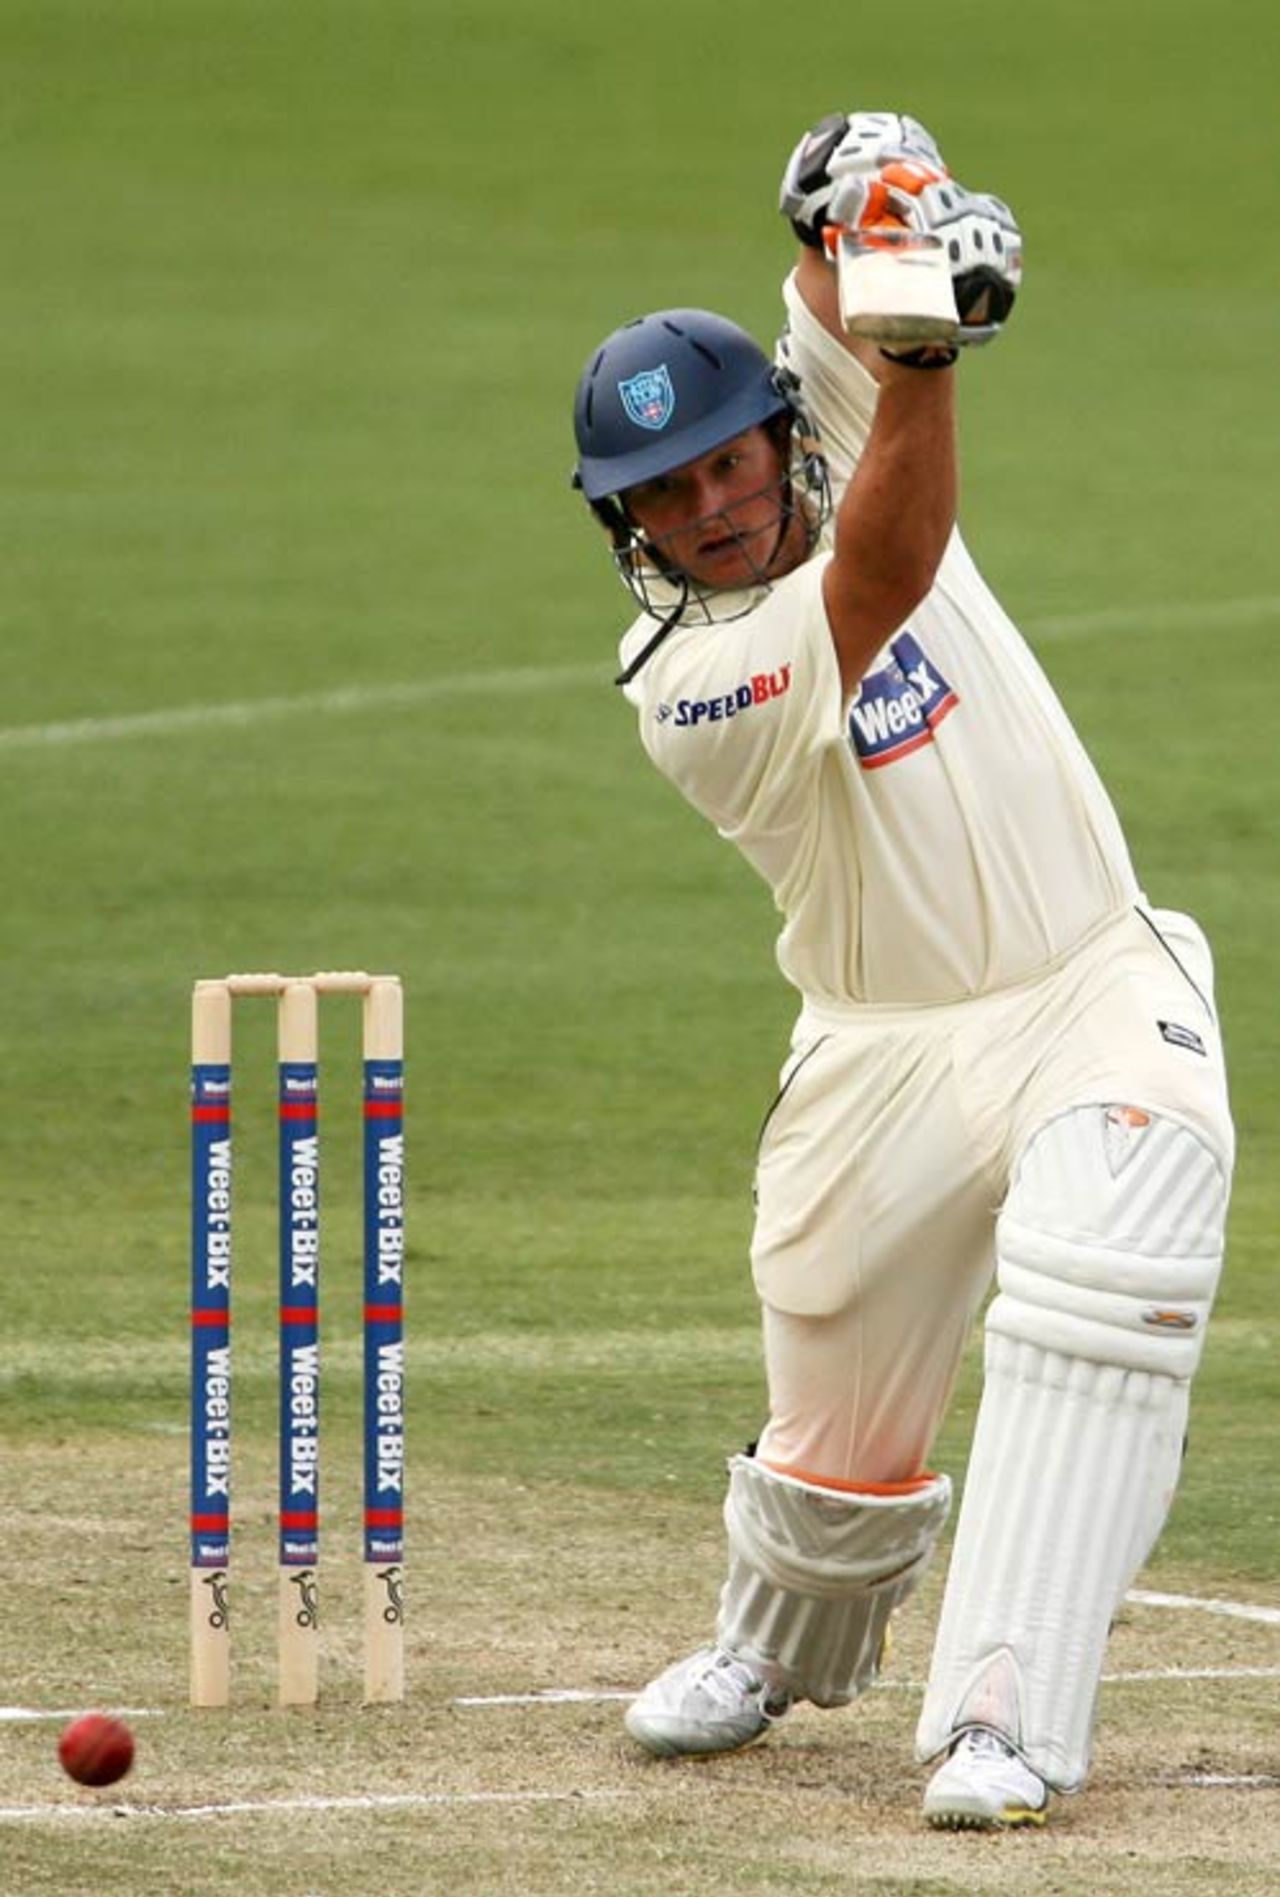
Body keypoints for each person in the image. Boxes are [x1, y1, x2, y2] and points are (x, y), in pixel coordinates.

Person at [570, 111, 1233, 1830]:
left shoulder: (841, 409)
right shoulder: (683, 684)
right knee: (835, 1415)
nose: (710, 507)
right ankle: (782, 1645)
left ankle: (1004, 1712)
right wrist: (929, 346)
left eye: (726, 462)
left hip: (1090, 974)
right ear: (624, 521)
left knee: (1108, 1254)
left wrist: (875, 203)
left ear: (777, 440)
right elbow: (886, 564)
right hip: (879, 1047)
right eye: (663, 491)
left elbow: (836, 281)